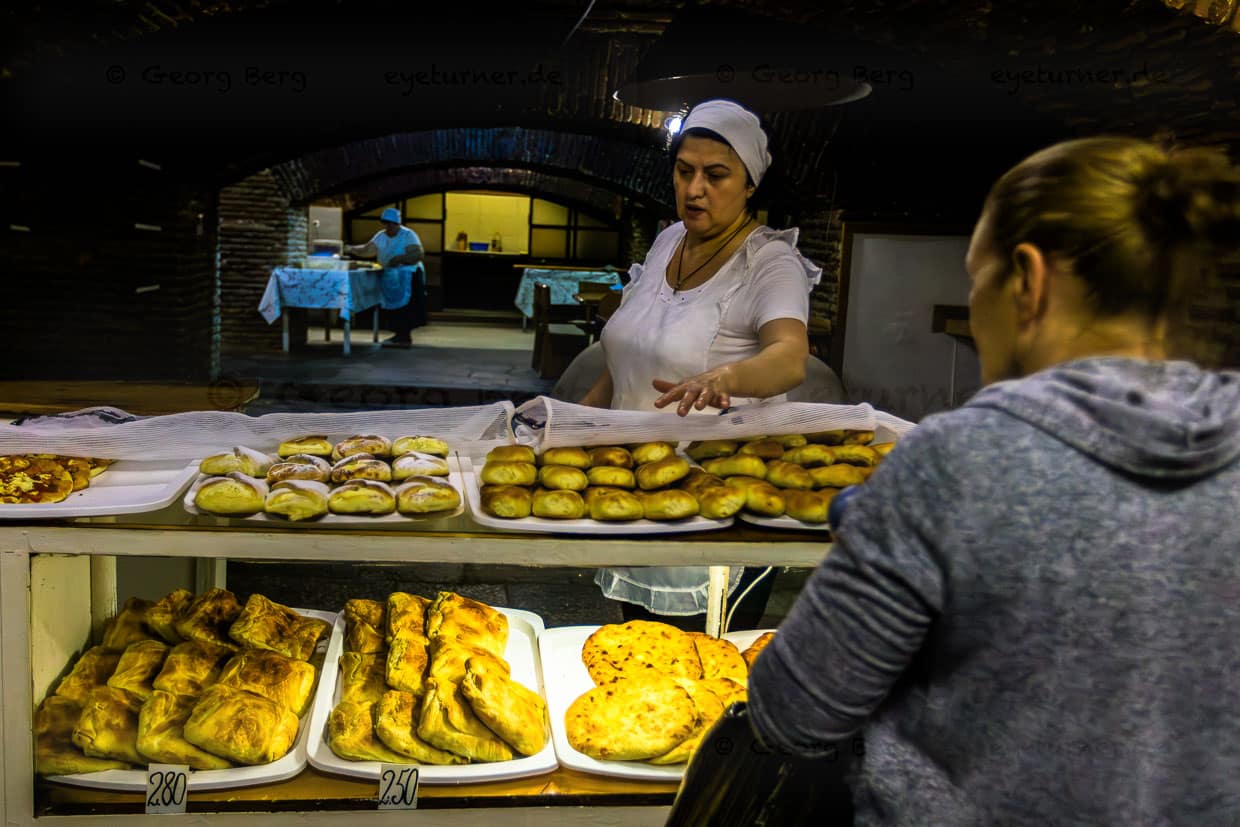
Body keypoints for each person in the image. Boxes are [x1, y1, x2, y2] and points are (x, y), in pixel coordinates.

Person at [747, 136, 1240, 825]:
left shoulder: (955, 463)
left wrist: (880, 549)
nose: (974, 305)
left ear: (1029, 280)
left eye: (977, 278)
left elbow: (792, 714)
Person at [579, 98, 822, 630]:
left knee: (706, 661)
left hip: (715, 500)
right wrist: (573, 419)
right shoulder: (669, 241)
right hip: (635, 485)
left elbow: (790, 356)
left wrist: (724, 377)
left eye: (715, 175)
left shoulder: (768, 261)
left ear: (750, 185)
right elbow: (629, 354)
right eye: (684, 171)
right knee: (637, 654)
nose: (694, 189)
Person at [343, 207, 425, 347]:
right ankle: (400, 336)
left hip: (408, 276)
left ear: (398, 223)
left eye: (393, 224)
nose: (389, 227)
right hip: (391, 275)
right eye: (387, 223)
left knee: (405, 308)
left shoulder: (408, 235)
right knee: (395, 308)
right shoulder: (381, 236)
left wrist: (399, 259)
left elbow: (417, 254)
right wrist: (350, 248)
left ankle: (403, 337)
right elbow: (367, 250)